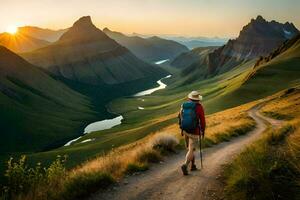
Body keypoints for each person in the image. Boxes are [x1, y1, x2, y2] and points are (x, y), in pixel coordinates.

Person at [178, 91, 206, 175]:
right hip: (194, 132)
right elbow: (202, 120)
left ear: (190, 98)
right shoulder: (199, 107)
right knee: (191, 150)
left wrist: (182, 128)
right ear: (197, 99)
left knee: (190, 149)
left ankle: (193, 165)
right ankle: (185, 165)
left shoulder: (184, 105)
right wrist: (203, 130)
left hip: (186, 130)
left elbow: (180, 117)